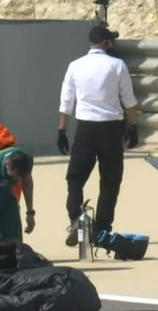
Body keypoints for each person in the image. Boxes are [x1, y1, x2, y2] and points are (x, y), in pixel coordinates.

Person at [57, 25, 138, 247]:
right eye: (111, 40)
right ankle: (102, 229)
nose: (113, 44)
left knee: (75, 178)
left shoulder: (75, 66)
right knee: (110, 181)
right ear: (105, 42)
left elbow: (66, 103)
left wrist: (61, 131)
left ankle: (76, 219)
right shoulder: (117, 65)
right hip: (112, 129)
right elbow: (129, 101)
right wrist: (134, 127)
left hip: (86, 129)